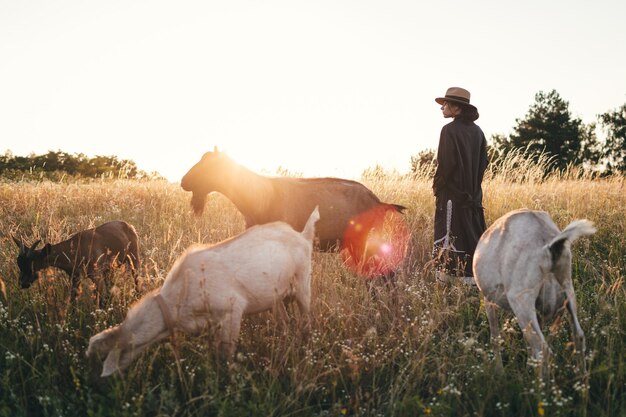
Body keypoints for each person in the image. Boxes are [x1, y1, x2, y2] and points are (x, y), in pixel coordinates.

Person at [432, 87, 488, 284]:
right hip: (473, 196)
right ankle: (473, 281)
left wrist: (438, 188)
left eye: (445, 104)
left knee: (451, 235)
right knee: (470, 235)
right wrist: (472, 191)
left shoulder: (448, 130)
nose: (442, 108)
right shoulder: (478, 132)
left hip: (452, 197)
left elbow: (446, 166)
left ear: (457, 108)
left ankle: (449, 283)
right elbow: (483, 165)